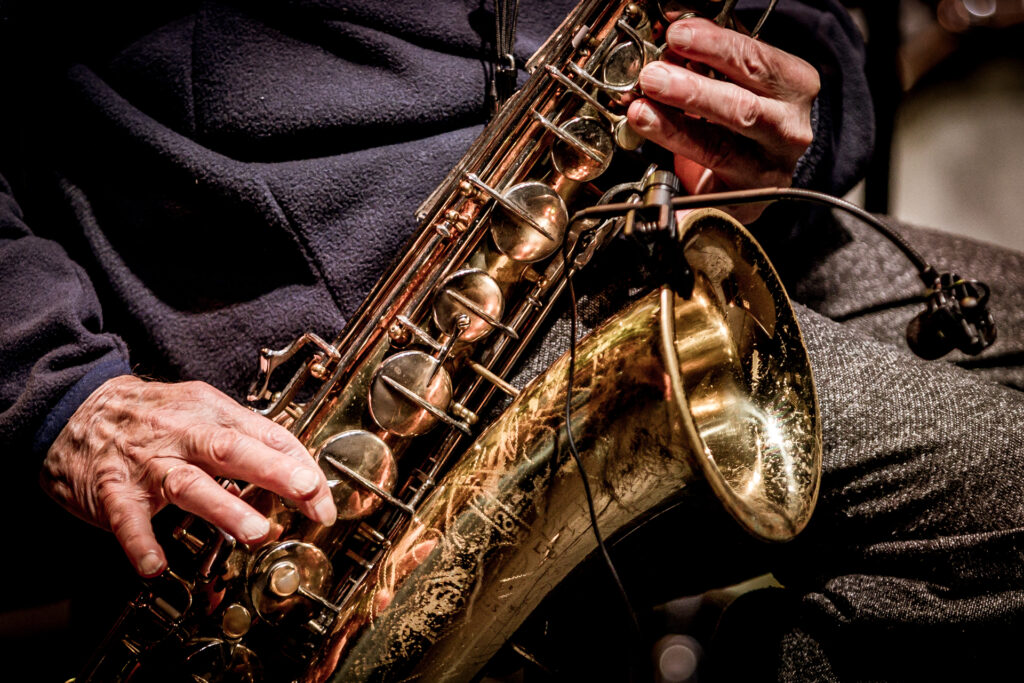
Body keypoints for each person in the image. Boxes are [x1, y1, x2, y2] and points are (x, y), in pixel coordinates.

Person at [1, 0, 1021, 680]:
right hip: (330, 378)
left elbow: (814, 24)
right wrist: (54, 390)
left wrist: (805, 98)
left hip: (646, 211)